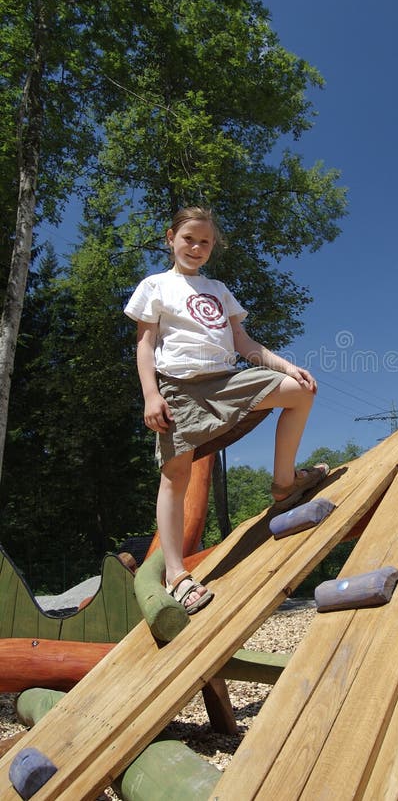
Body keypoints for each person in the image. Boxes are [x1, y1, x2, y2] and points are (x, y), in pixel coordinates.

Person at [124, 206, 328, 614]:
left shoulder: (218, 289)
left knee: (300, 392)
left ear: (212, 246)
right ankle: (176, 575)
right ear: (170, 238)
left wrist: (289, 367)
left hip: (226, 380)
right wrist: (151, 395)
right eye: (189, 239)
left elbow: (245, 345)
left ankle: (285, 482)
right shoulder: (156, 286)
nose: (197, 247)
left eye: (205, 241)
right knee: (175, 476)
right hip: (179, 388)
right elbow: (145, 345)